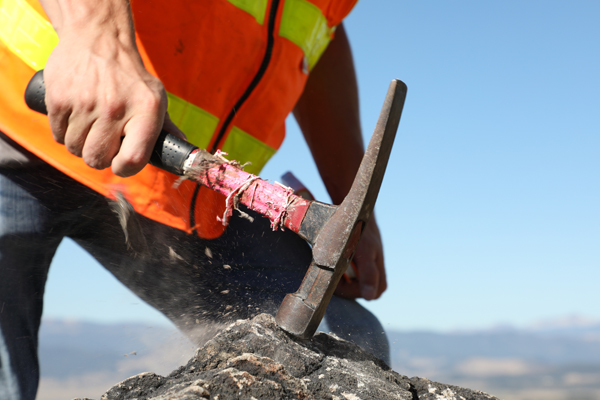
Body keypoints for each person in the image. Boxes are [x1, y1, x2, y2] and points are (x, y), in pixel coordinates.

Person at [0, 1, 389, 399]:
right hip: (16, 124)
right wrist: (99, 40)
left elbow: (318, 36)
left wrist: (353, 208)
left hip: (175, 185)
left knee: (347, 342)